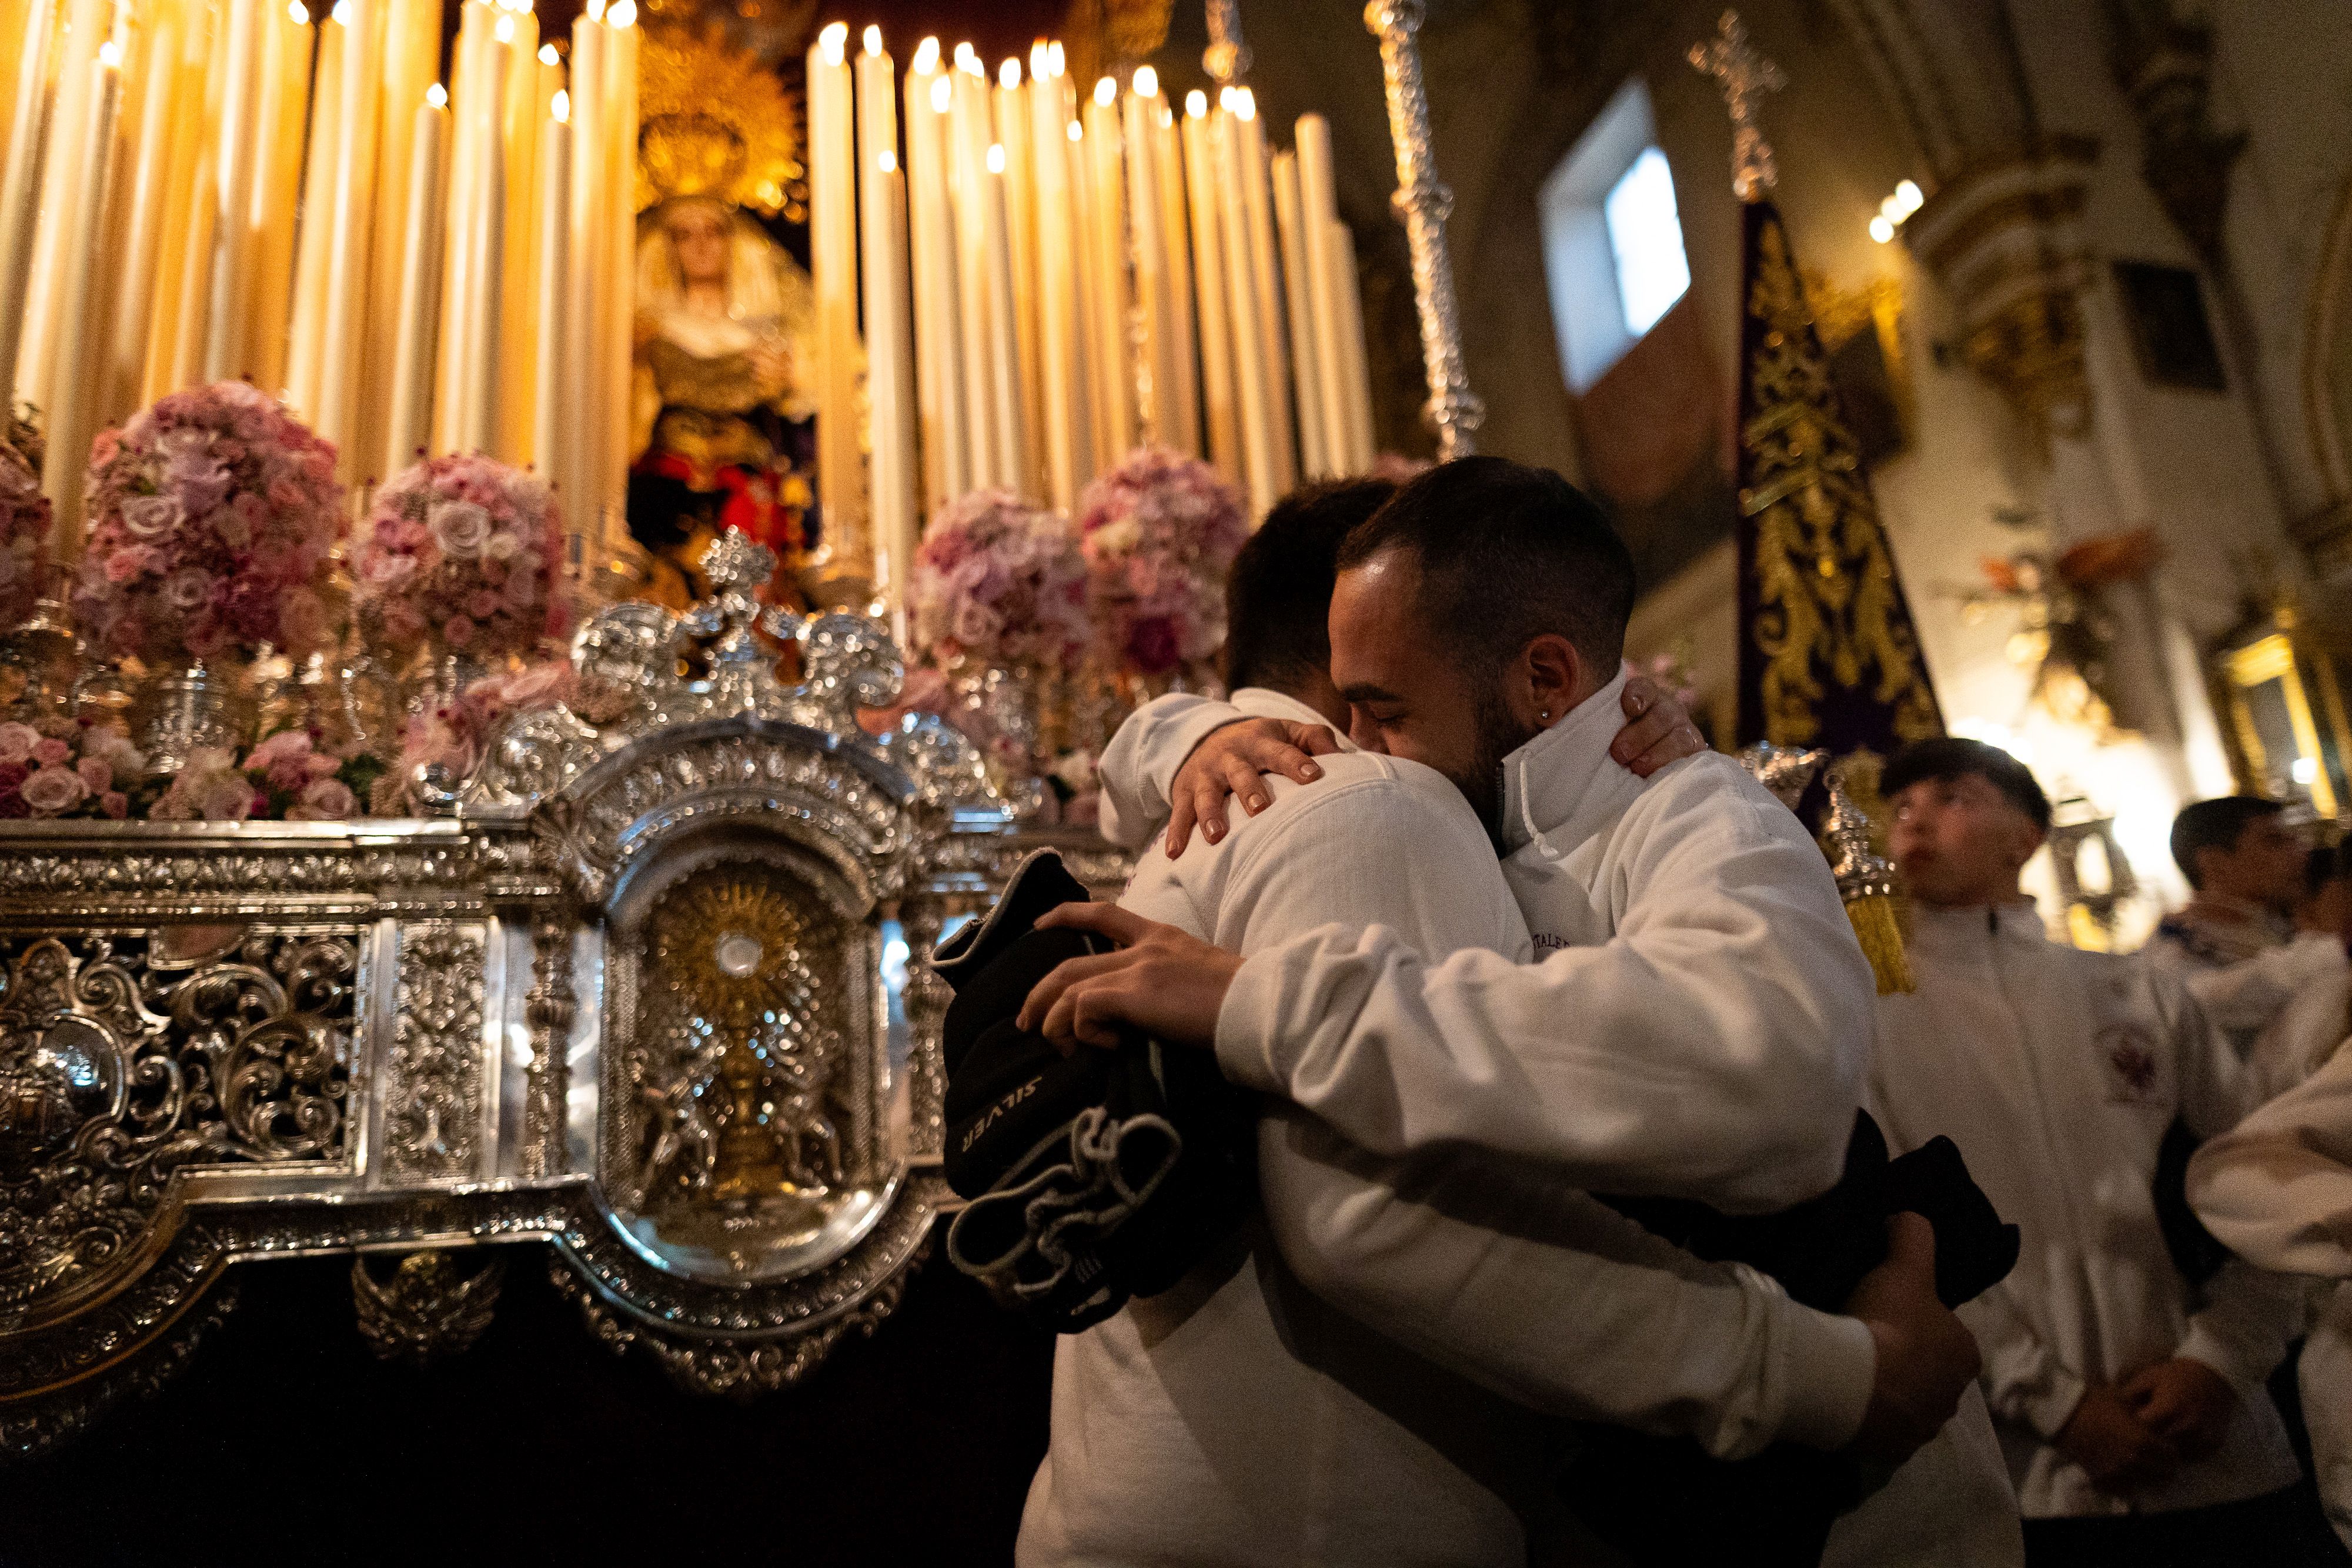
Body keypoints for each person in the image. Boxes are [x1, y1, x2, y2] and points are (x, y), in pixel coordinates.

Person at [1025, 460, 1998, 1562]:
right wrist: (1176, 732)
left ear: (1543, 675)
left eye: (1381, 708)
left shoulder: (1694, 812)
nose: (1344, 741)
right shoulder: (1394, 798)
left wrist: (1267, 1000)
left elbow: (1769, 1069)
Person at [1867, 737, 2319, 1566]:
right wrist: (2059, 1404)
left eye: (1954, 796)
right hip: (2028, 1477)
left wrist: (2221, 1358)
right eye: (1901, 807)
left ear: (2027, 836)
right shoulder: (1874, 1018)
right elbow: (1900, 1237)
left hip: (2213, 1446)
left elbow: (2275, 1181)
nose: (1917, 818)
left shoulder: (2138, 990)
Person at [2150, 797, 2347, 1064]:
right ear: (2214, 864)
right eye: (2274, 841)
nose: (2301, 851)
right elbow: (2203, 1004)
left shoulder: (2279, 922)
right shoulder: (2172, 955)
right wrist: (2341, 947)